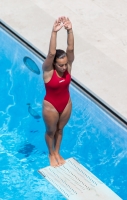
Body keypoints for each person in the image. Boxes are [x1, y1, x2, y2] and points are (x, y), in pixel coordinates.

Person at [42, 16, 74, 167]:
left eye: (66, 64)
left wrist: (69, 30)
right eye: (61, 65)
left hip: (66, 103)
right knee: (51, 131)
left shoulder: (68, 67)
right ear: (54, 64)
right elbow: (50, 53)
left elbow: (71, 49)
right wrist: (54, 32)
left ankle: (57, 152)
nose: (64, 67)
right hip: (51, 105)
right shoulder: (48, 71)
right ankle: (50, 153)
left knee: (60, 129)